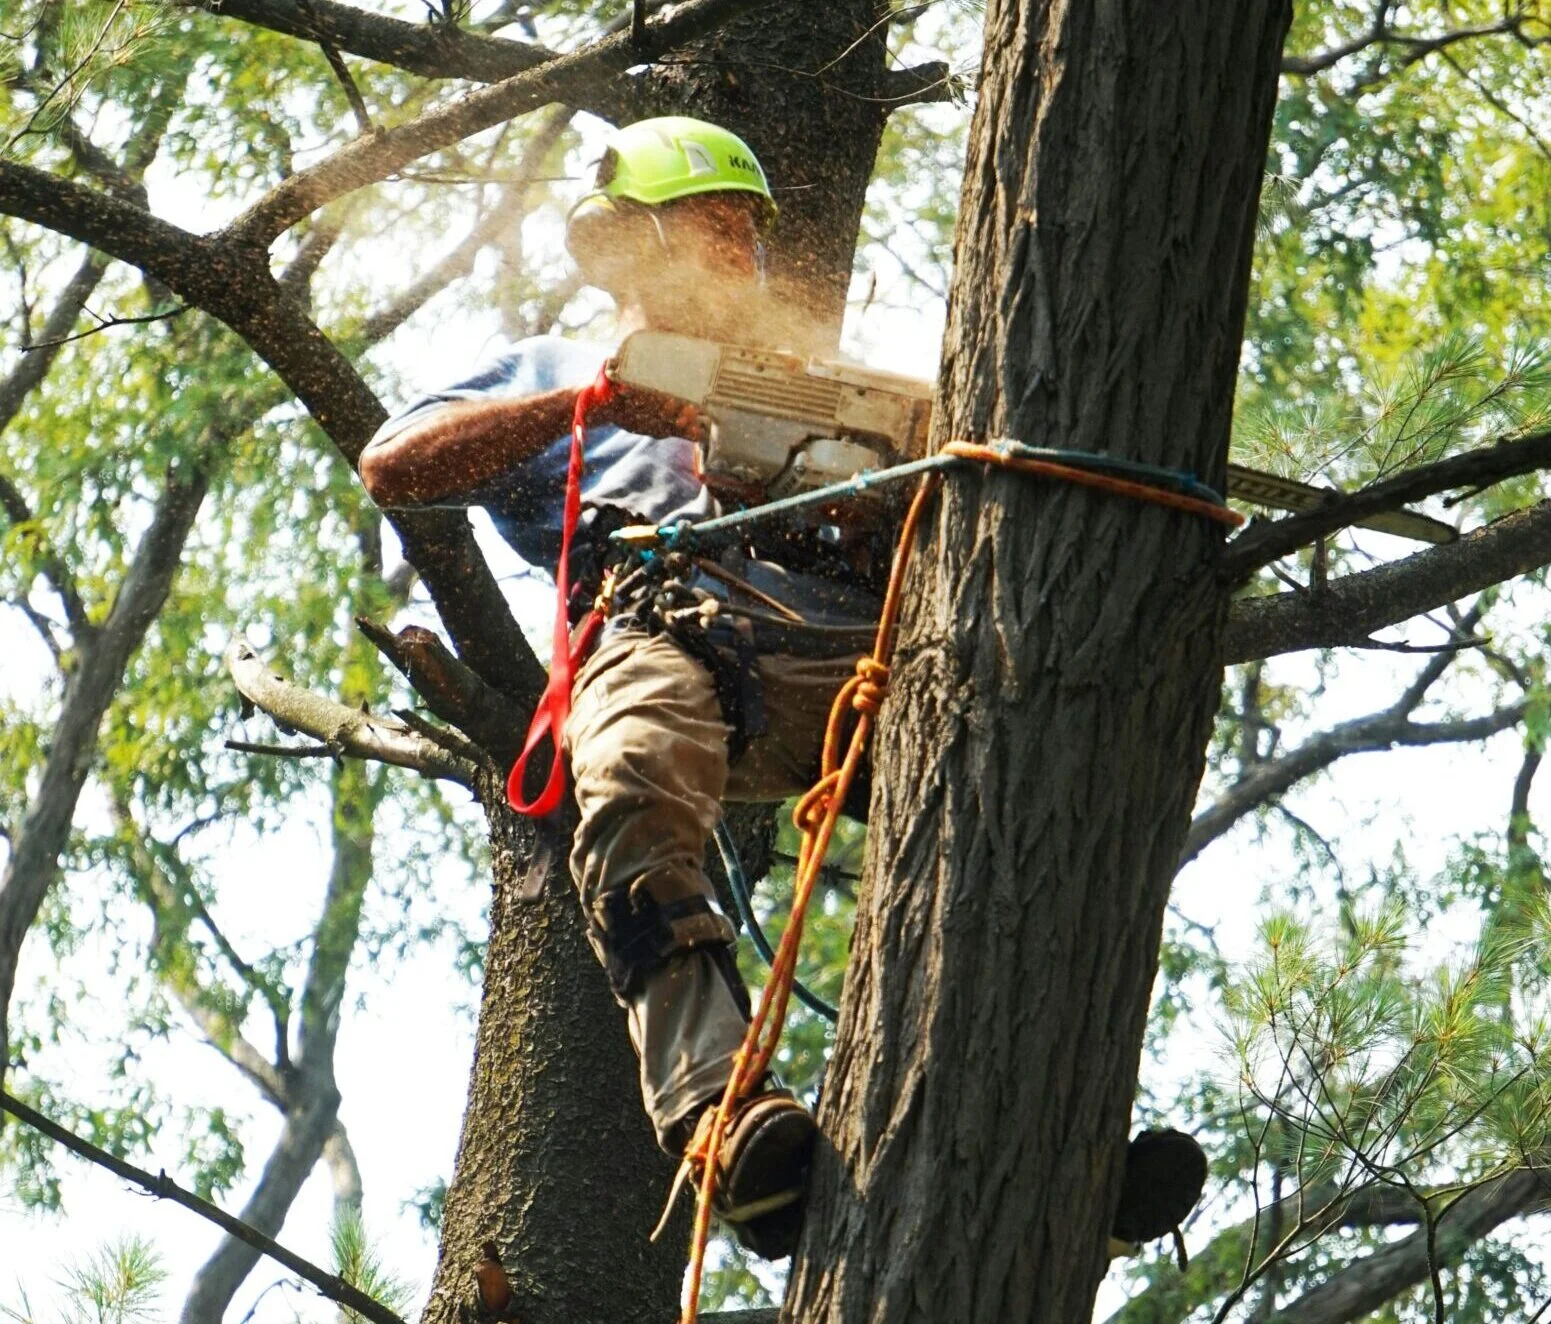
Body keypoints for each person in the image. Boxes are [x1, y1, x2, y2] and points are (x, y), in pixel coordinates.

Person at [358, 116, 1207, 1263]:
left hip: (853, 647)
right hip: (667, 629)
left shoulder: (807, 382)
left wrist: (883, 480)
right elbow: (394, 466)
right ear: (631, 241)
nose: (741, 252)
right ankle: (723, 1118)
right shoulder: (553, 370)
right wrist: (598, 402)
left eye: (750, 232)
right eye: (714, 225)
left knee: (1027, 780)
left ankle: (1062, 1135)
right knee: (634, 774)